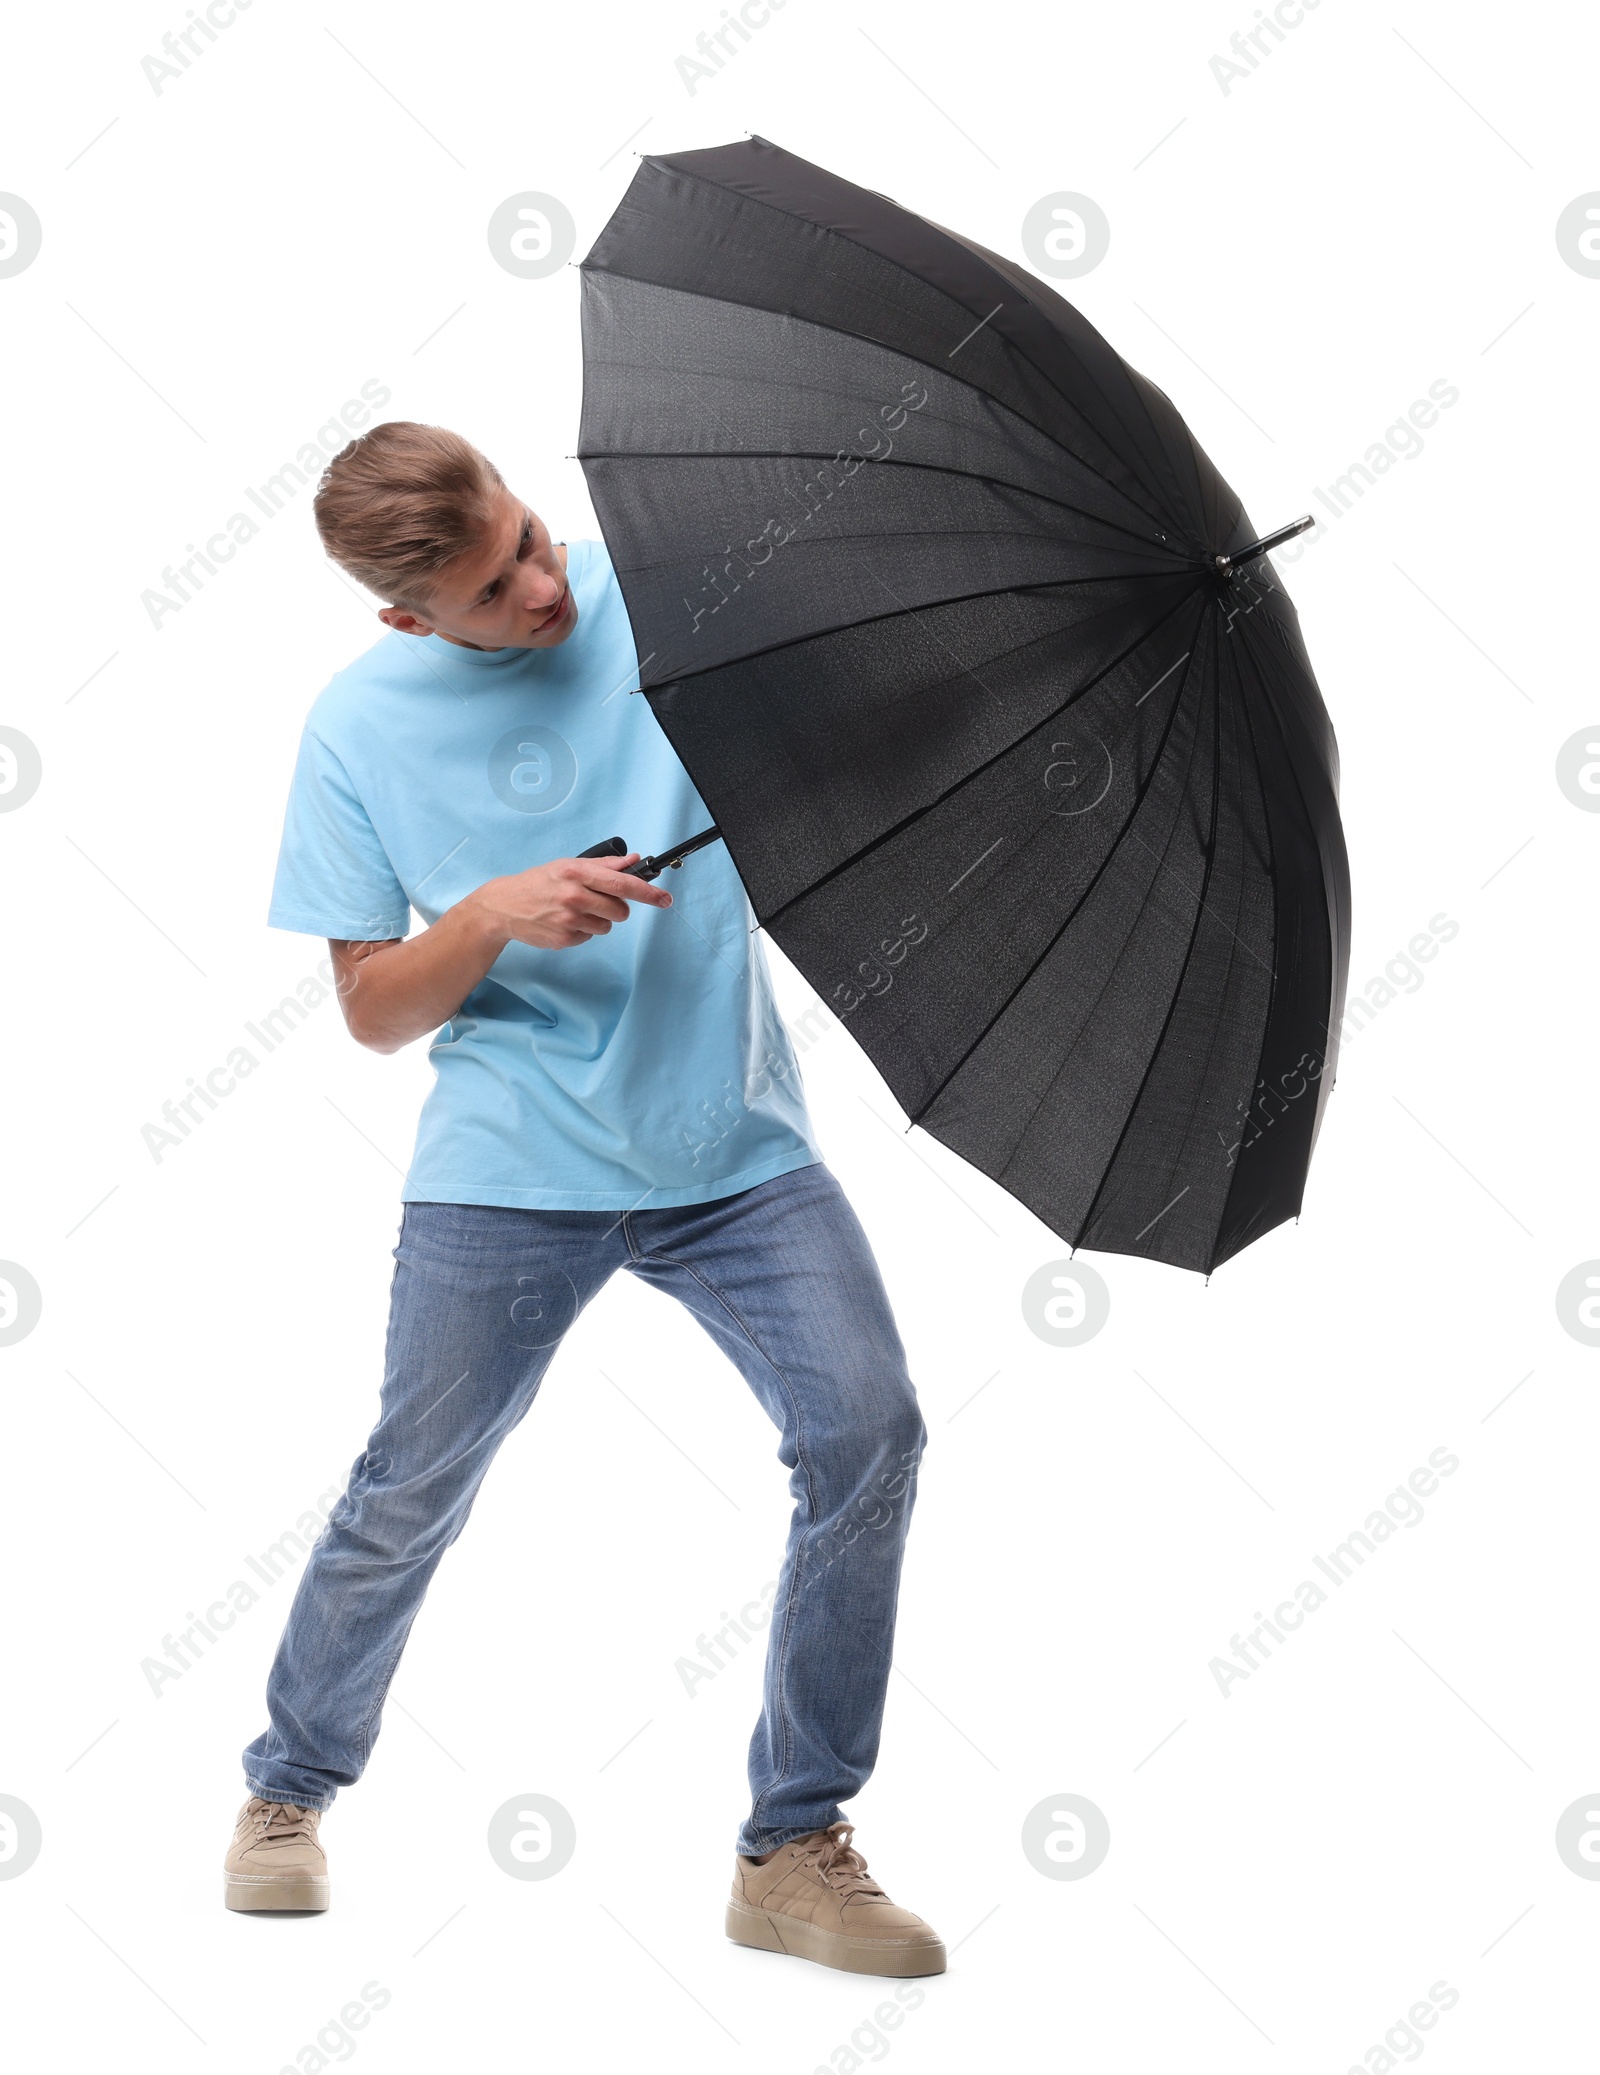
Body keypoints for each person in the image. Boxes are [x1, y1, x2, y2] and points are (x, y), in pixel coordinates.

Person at [223, 421, 945, 1977]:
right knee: (414, 1481)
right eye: (498, 589)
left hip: (735, 1148)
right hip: (509, 1175)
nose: (548, 586)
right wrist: (491, 912)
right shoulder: (354, 730)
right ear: (409, 620)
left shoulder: (676, 600)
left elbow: (845, 710)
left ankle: (793, 1842)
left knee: (868, 1429)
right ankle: (286, 1793)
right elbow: (370, 1011)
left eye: (538, 538)